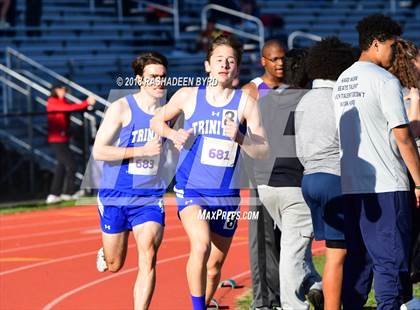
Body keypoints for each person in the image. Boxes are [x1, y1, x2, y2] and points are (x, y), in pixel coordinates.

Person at [150, 34, 269, 310]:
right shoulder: (189, 95)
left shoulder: (245, 103)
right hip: (192, 189)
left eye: (230, 61)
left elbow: (263, 150)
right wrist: (173, 133)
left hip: (226, 195)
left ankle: (205, 301)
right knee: (201, 246)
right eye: (219, 60)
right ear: (207, 66)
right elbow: (157, 120)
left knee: (215, 266)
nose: (224, 65)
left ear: (237, 69)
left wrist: (241, 139)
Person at [332, 14, 420, 310]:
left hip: (352, 185)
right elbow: (403, 137)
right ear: (376, 43)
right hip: (386, 185)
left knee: (358, 262)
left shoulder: (341, 81)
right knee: (390, 263)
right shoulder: (384, 80)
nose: (395, 52)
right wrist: (419, 181)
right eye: (392, 46)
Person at [92, 52, 168, 310]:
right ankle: (106, 251)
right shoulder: (122, 108)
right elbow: (99, 151)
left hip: (148, 198)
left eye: (162, 77)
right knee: (115, 265)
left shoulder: (170, 112)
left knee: (148, 254)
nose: (159, 82)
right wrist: (141, 151)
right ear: (139, 80)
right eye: (152, 77)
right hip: (116, 195)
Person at [253, 48, 323, 310]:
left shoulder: (266, 100)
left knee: (296, 245)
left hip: (266, 185)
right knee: (294, 250)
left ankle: (316, 285)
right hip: (294, 184)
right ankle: (293, 305)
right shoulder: (310, 100)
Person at [295, 37, 355, 310]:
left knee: (334, 250)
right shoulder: (339, 98)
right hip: (334, 177)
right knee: (337, 255)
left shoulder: (304, 99)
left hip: (309, 178)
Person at [241, 39, 286, 310]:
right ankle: (263, 301)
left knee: (288, 239)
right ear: (263, 61)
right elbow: (237, 132)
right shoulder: (252, 90)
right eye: (274, 59)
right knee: (262, 242)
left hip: (291, 173)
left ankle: (284, 296)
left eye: (283, 58)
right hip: (262, 175)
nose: (279, 63)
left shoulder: (294, 88)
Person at [388, 39, 420, 310]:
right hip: (407, 169)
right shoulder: (397, 90)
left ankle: (406, 293)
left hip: (409, 169)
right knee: (405, 235)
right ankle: (404, 295)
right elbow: (410, 134)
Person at [46, 85, 95, 204]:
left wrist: (87, 104)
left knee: (61, 167)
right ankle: (68, 192)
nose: (65, 92)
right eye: (62, 90)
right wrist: (86, 102)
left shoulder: (61, 101)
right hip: (57, 139)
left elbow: (68, 107)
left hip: (63, 139)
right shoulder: (52, 102)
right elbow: (68, 108)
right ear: (56, 90)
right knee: (71, 164)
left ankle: (54, 194)